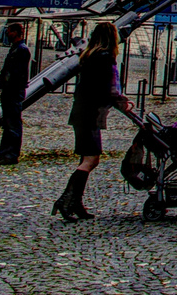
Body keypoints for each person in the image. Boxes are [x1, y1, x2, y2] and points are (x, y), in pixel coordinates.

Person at [54, 22, 130, 221]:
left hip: (81, 112)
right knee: (91, 160)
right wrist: (122, 103)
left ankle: (75, 202)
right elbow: (109, 88)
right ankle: (66, 200)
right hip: (91, 114)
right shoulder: (106, 58)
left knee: (86, 158)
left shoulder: (88, 57)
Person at [0, 22, 30, 164]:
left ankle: (10, 154)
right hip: (11, 90)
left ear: (15, 32)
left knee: (12, 124)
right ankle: (5, 153)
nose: (7, 34)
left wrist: (9, 86)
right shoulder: (17, 49)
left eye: (9, 31)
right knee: (9, 124)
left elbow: (18, 73)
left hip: (13, 91)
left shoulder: (21, 50)